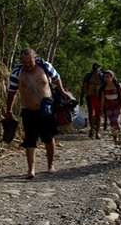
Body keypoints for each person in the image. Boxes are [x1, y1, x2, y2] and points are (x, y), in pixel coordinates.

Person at [5, 49, 72, 179]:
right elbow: (11, 92)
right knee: (29, 140)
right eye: (24, 62)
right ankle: (31, 170)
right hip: (28, 110)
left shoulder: (46, 67)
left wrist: (63, 91)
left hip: (46, 109)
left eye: (29, 61)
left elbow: (56, 78)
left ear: (35, 58)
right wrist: (8, 110)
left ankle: (50, 165)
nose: (27, 65)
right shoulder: (17, 72)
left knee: (48, 137)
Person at [80, 63, 105, 139]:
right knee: (91, 114)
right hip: (90, 97)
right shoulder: (88, 76)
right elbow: (84, 87)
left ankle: (97, 132)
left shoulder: (102, 76)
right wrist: (81, 98)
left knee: (98, 115)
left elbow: (105, 87)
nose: (96, 71)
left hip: (99, 98)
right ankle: (92, 130)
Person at [101, 70, 121, 144]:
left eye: (108, 77)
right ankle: (115, 138)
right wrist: (102, 109)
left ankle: (120, 137)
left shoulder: (117, 85)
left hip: (117, 106)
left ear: (112, 77)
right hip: (108, 106)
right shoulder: (103, 87)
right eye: (105, 77)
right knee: (112, 123)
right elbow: (102, 99)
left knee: (116, 121)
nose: (106, 78)